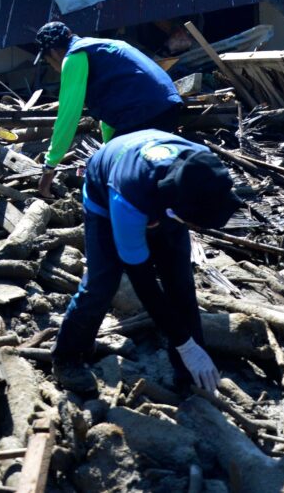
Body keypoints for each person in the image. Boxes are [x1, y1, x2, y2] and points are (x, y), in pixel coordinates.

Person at [51, 129, 242, 394]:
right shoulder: (128, 197)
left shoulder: (203, 171)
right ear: (179, 212)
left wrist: (192, 350)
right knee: (102, 282)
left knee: (181, 284)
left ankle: (189, 375)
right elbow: (145, 284)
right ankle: (68, 357)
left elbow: (176, 284)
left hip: (162, 193)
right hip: (106, 195)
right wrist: (185, 344)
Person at [33, 22, 183, 198]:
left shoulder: (74, 57)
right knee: (145, 176)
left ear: (53, 52)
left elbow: (68, 117)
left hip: (142, 114)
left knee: (112, 182)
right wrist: (107, 147)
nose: (51, 66)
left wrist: (49, 167)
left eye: (47, 61)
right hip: (167, 107)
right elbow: (111, 110)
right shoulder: (101, 46)